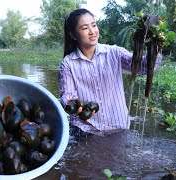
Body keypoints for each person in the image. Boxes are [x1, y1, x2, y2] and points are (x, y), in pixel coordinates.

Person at [58, 8, 162, 137]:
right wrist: (74, 106)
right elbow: (67, 95)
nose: (92, 31)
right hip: (86, 129)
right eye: (84, 28)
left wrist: (154, 42)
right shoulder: (68, 63)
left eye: (94, 25)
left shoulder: (114, 53)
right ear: (73, 35)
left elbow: (143, 67)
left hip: (118, 127)